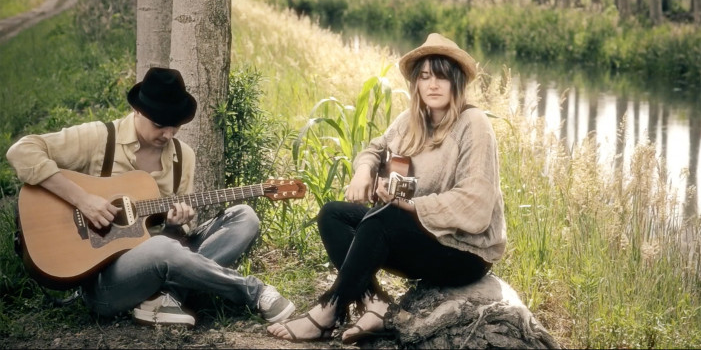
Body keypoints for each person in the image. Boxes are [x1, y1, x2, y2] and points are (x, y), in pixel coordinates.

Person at [7, 67, 295, 327]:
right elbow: (21, 151)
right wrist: (83, 200)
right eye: (160, 124)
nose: (168, 134)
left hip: (159, 257)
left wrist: (175, 225)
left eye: (176, 126)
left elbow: (171, 241)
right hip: (108, 285)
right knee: (160, 248)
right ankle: (254, 292)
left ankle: (164, 299)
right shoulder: (99, 138)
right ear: (138, 111)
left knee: (244, 216)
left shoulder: (183, 157)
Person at [267, 33, 506, 345]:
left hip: (463, 251)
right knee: (333, 214)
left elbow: (476, 203)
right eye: (425, 77)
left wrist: (410, 206)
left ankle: (330, 310)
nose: (433, 85)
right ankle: (375, 302)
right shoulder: (412, 121)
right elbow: (375, 149)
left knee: (384, 218)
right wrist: (364, 171)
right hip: (417, 234)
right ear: (416, 84)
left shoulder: (472, 123)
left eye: (442, 77)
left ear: (456, 83)